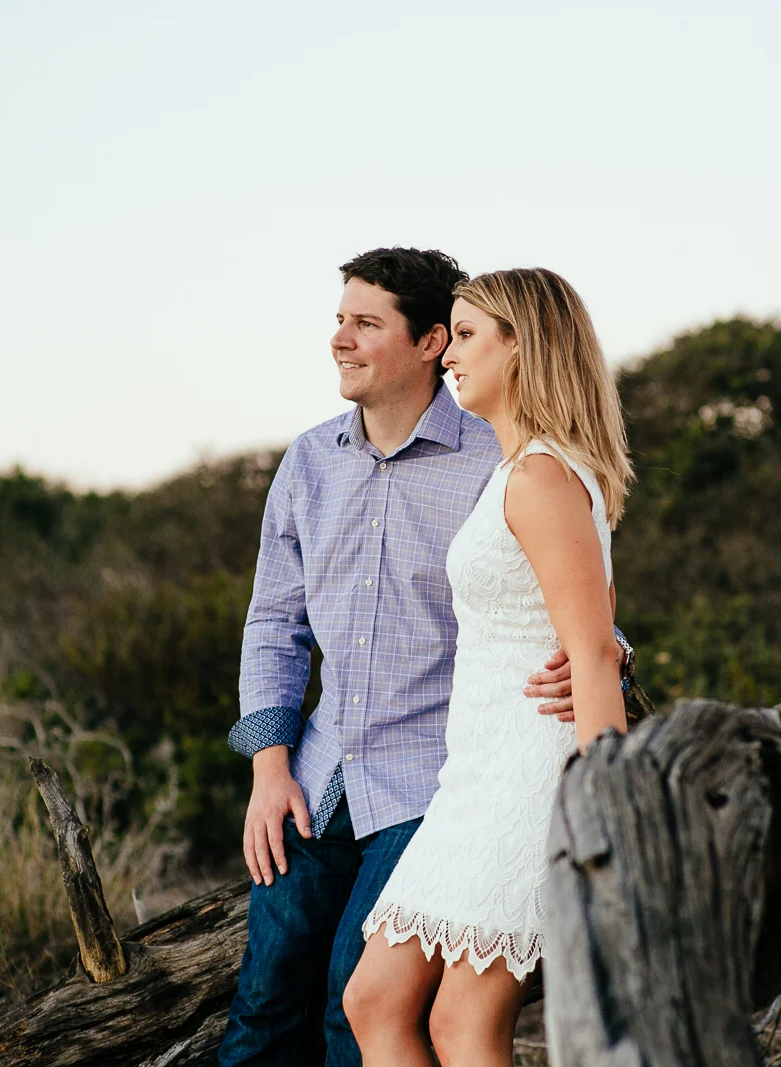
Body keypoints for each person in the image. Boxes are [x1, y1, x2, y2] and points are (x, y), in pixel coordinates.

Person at [217, 249, 635, 1067]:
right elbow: (273, 620)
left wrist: (608, 658)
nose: (340, 338)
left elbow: (577, 611)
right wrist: (270, 767)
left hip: (438, 777)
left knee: (380, 1014)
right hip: (322, 770)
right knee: (274, 1005)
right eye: (340, 318)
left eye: (366, 323)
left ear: (430, 337)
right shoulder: (309, 460)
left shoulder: (503, 458)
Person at [343, 267, 632, 1067]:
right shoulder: (520, 471)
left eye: (466, 336)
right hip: (474, 776)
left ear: (523, 345)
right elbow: (591, 629)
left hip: (529, 774)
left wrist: (610, 817)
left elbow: (594, 652)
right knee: (374, 1000)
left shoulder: (540, 475)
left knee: (462, 1025)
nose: (448, 356)